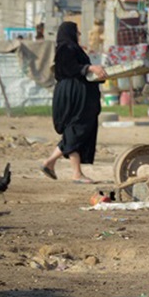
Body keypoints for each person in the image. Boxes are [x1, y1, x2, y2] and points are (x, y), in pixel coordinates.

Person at [42, 21, 106, 183]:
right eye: (76, 32)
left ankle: (50, 162)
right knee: (77, 128)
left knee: (76, 129)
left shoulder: (72, 48)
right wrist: (90, 69)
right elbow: (68, 68)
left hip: (77, 93)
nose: (78, 36)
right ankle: (76, 174)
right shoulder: (66, 48)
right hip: (73, 95)